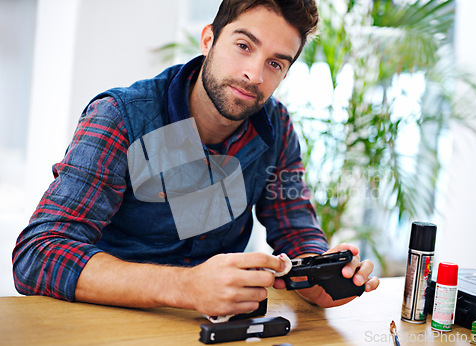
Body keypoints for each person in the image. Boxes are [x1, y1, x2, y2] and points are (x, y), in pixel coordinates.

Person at [13, 0, 379, 317]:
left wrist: (318, 275)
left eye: (276, 64)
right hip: (109, 321)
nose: (254, 73)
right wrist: (185, 286)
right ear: (208, 40)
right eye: (243, 45)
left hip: (215, 326)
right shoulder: (121, 117)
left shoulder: (276, 128)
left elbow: (295, 228)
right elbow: (38, 255)